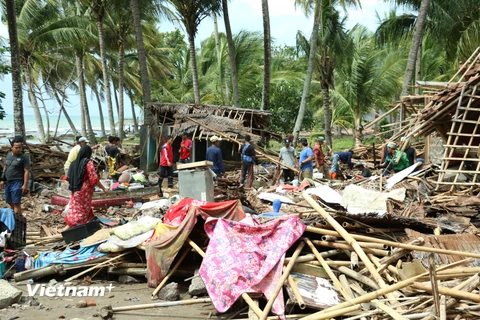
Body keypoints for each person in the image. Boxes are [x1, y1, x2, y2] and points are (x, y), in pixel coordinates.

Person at [64, 146, 108, 229]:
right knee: (83, 211)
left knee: (76, 209)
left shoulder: (73, 163)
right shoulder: (88, 163)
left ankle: (72, 226)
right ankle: (76, 227)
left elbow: (69, 178)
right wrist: (103, 188)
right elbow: (94, 179)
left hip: (75, 190)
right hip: (85, 191)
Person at [0, 137, 30, 214]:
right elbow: (5, 167)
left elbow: (26, 171)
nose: (19, 149)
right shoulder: (9, 155)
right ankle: (18, 215)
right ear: (11, 147)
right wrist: (2, 179)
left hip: (17, 181)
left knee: (16, 202)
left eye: (20, 147)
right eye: (16, 147)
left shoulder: (24, 157)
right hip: (8, 182)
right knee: (9, 201)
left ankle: (17, 220)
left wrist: (25, 185)